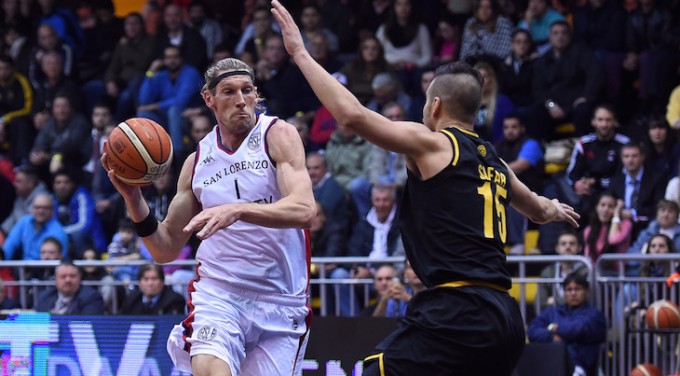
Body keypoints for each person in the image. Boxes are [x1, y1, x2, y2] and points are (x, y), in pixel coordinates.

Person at [272, 2, 580, 374]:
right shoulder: (496, 161)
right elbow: (540, 211)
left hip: (457, 308)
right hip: (504, 317)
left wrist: (301, 54)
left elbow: (352, 115)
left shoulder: (434, 142)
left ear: (435, 106)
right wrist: (556, 207)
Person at [101, 56, 315, 376]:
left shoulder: (277, 135)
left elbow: (304, 210)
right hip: (220, 294)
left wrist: (239, 209)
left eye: (247, 91)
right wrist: (133, 198)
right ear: (209, 99)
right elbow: (165, 248)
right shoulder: (197, 162)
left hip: (282, 300)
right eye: (229, 92)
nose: (241, 100)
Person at [527, 273, 607, 376]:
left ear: (587, 292)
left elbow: (577, 330)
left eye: (577, 289)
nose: (573, 293)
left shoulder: (595, 315)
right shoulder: (552, 312)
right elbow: (532, 331)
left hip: (580, 367)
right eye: (569, 290)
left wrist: (553, 327)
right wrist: (553, 337)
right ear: (564, 293)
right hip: (551, 365)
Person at [608, 142, 666, 237]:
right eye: (626, 156)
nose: (630, 160)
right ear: (622, 159)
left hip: (647, 227)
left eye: (634, 156)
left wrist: (634, 214)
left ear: (642, 157)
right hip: (620, 227)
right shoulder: (615, 181)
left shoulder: (656, 178)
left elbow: (658, 206)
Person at [0, 193, 68, 261]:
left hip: (45, 269)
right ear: (32, 209)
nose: (41, 211)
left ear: (52, 211)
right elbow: (8, 248)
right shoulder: (24, 222)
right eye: (37, 207)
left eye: (45, 208)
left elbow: (59, 261)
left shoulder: (58, 232)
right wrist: (2, 256)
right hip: (24, 269)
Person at [34, 261, 104, 315]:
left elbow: (88, 323)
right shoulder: (45, 296)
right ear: (55, 280)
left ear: (79, 278)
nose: (68, 280)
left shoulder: (92, 297)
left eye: (72, 276)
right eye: (63, 276)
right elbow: (40, 324)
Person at [539, 231, 587, 307]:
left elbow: (588, 299)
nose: (568, 247)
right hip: (554, 317)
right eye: (563, 244)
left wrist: (555, 301)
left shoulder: (587, 271)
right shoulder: (548, 272)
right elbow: (540, 302)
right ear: (557, 248)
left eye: (572, 244)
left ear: (579, 248)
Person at [120, 263, 186, 315]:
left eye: (154, 279)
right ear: (139, 282)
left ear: (162, 281)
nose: (150, 283)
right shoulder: (132, 299)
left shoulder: (175, 300)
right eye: (146, 279)